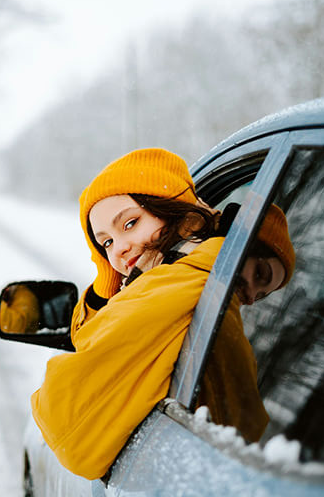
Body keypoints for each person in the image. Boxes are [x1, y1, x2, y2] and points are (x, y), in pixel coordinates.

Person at [30, 148, 294, 480]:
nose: (119, 248)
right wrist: (109, 280)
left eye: (130, 223)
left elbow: (70, 434)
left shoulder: (189, 281)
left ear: (181, 218)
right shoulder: (176, 281)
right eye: (106, 243)